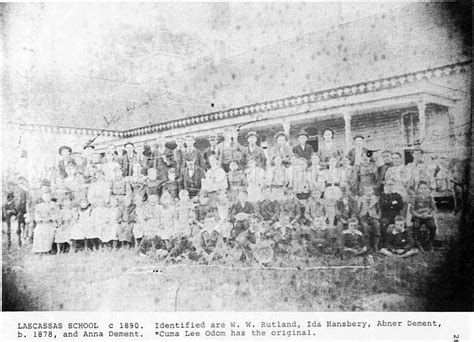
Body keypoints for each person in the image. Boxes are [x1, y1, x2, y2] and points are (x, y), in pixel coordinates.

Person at [410, 181, 438, 251]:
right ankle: (417, 242)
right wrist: (418, 215)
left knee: (433, 226)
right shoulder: (415, 198)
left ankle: (430, 243)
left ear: (427, 189)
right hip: (418, 216)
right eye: (421, 188)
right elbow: (412, 209)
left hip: (427, 216)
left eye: (425, 188)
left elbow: (434, 209)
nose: (423, 190)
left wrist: (430, 215)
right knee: (415, 226)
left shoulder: (430, 197)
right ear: (418, 189)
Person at [379, 179, 404, 246]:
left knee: (399, 224)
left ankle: (398, 242)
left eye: (391, 185)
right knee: (384, 224)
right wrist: (392, 203)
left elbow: (401, 206)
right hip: (386, 215)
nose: (390, 186)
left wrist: (388, 204)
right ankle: (385, 243)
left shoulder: (397, 195)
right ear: (385, 186)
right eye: (388, 185)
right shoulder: (383, 195)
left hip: (395, 215)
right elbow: (382, 206)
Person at [357, 185, 381, 252]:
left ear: (372, 191)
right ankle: (367, 246)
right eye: (366, 191)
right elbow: (358, 210)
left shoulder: (375, 199)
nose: (368, 192)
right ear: (364, 192)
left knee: (377, 225)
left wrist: (378, 216)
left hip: (373, 216)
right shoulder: (361, 199)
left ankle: (376, 245)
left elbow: (379, 210)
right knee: (365, 226)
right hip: (364, 216)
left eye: (370, 190)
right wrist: (359, 216)